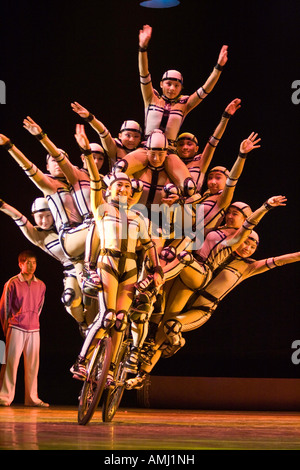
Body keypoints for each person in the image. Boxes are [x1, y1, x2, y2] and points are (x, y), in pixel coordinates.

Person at [127, 233, 300, 389]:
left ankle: (168, 351)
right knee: (157, 329)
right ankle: (139, 373)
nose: (247, 248)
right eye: (246, 242)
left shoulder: (249, 266)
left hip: (201, 309)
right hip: (186, 294)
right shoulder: (217, 252)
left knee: (170, 327)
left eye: (253, 247)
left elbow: (279, 261)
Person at [70, 124, 164, 379]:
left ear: (132, 193)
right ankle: (81, 361)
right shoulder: (102, 209)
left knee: (122, 320)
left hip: (131, 269)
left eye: (126, 187)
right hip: (108, 263)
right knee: (108, 317)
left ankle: (110, 369)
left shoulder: (139, 218)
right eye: (118, 186)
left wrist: (156, 273)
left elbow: (150, 250)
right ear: (110, 189)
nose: (122, 189)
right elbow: (93, 180)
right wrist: (87, 154)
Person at [116, 24, 228, 195]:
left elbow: (206, 89)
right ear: (161, 84)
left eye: (176, 85)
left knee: (189, 188)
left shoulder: (185, 104)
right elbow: (144, 73)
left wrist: (218, 67)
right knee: (119, 169)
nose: (172, 88)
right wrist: (143, 48)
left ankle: (172, 199)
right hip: (146, 149)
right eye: (168, 84)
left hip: (169, 152)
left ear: (181, 88)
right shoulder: (151, 97)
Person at [0, 197, 91, 332]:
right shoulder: (38, 236)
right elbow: (18, 217)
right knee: (69, 300)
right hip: (71, 271)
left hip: (92, 265)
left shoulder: (71, 223)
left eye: (48, 215)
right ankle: (84, 325)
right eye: (40, 217)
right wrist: (3, 205)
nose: (44, 220)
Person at [0, 250, 48, 407]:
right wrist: (8, 328)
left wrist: (33, 320)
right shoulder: (12, 283)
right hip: (16, 327)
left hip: (34, 329)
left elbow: (39, 308)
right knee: (10, 363)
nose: (32, 265)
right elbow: (5, 308)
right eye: (28, 262)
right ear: (20, 264)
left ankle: (32, 398)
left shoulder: (41, 285)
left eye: (34, 262)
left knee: (34, 365)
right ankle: (5, 397)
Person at [175, 98, 241, 193]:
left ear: (197, 148)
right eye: (181, 145)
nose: (185, 147)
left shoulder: (201, 161)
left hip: (191, 204)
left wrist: (225, 117)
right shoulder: (172, 161)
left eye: (189, 144)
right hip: (170, 205)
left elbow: (214, 140)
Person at [71, 101, 143, 170]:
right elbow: (103, 132)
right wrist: (89, 117)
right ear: (120, 136)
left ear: (140, 138)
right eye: (128, 135)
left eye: (136, 136)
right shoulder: (115, 148)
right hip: (116, 181)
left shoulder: (142, 150)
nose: (131, 139)